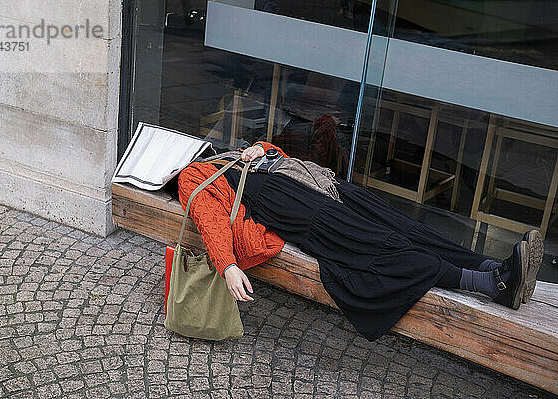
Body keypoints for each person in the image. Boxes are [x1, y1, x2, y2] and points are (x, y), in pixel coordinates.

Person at [177, 141, 544, 341]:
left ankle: (493, 266)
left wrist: (262, 149)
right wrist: (227, 266)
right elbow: (210, 220)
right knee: (382, 243)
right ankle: (491, 285)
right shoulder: (192, 175)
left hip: (324, 186)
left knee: (405, 226)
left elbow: (282, 158)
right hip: (293, 206)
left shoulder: (224, 154)